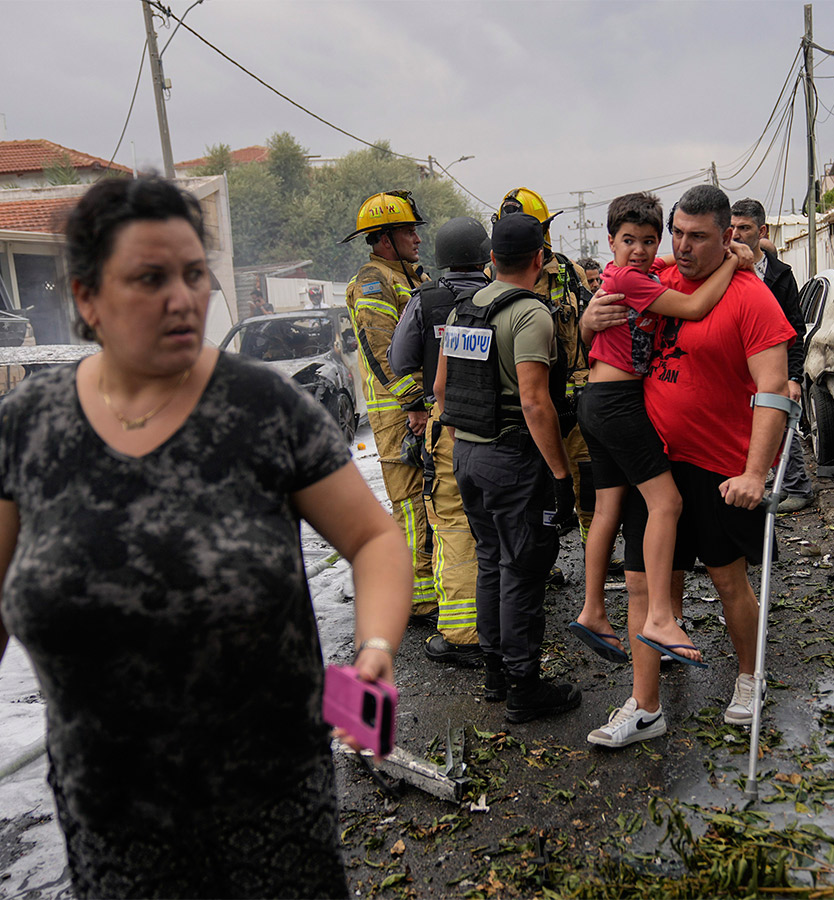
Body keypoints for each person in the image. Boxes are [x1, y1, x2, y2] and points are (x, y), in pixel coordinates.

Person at [0, 177, 412, 898]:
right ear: (87, 297)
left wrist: (371, 653)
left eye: (194, 275)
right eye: (150, 278)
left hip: (271, 806)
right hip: (111, 819)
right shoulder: (26, 430)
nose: (182, 297)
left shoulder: (264, 408)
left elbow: (375, 539)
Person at [580, 186, 794, 748]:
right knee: (645, 586)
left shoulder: (752, 297)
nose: (681, 245)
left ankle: (749, 677)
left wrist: (755, 472)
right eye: (677, 232)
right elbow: (610, 329)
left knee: (728, 582)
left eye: (697, 236)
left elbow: (774, 388)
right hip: (655, 459)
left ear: (728, 236)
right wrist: (585, 322)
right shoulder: (663, 276)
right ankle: (645, 706)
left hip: (718, 467)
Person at [573, 191, 750, 667]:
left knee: (608, 505)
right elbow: (694, 309)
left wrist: (674, 252)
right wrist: (732, 263)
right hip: (618, 403)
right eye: (629, 241)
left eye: (650, 241)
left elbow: (664, 259)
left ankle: (592, 609)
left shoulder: (628, 271)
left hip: (595, 400)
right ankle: (659, 617)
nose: (641, 250)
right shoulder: (633, 278)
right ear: (610, 241)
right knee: (666, 502)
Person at [434, 212, 581, 723]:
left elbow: (440, 391)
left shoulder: (461, 311)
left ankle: (496, 671)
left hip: (467, 456)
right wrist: (560, 476)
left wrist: (467, 445)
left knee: (491, 561)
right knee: (523, 568)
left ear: (492, 258)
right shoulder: (530, 315)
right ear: (539, 259)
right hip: (513, 458)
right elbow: (536, 403)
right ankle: (524, 687)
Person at [388, 217, 491, 668]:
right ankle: (506, 623)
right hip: (503, 428)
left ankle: (465, 635)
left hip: (447, 427)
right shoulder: (503, 298)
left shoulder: (424, 300)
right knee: (501, 523)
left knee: (453, 526)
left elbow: (398, 359)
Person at [341, 191, 438, 626]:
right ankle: (417, 599)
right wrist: (413, 402)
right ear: (383, 238)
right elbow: (380, 347)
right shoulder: (374, 280)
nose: (417, 238)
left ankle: (430, 585)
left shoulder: (410, 275)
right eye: (407, 231)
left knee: (431, 498)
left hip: (416, 408)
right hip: (398, 413)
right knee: (412, 503)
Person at [494, 188, 595, 562]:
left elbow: (586, 334)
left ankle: (593, 547)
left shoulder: (570, 273)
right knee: (535, 487)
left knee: (587, 480)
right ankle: (543, 562)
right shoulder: (497, 278)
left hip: (574, 400)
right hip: (525, 405)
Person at [730, 198, 815, 513]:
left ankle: (797, 487)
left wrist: (793, 377)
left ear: (761, 230)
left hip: (771, 366)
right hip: (737, 370)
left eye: (745, 228)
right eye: (733, 228)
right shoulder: (724, 268)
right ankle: (755, 482)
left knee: (780, 424)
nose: (737, 235)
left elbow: (795, 329)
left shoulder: (780, 275)